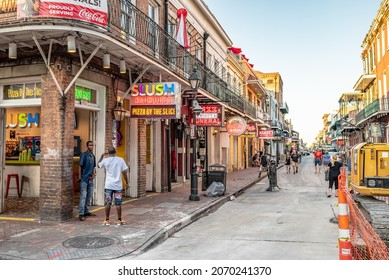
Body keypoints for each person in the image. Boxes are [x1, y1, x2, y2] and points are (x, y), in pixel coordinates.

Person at [98, 147, 129, 226]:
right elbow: (124, 172)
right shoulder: (120, 160)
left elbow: (98, 165)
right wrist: (127, 182)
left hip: (108, 185)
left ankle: (107, 220)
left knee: (107, 202)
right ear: (115, 152)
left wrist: (102, 156)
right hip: (118, 186)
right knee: (118, 203)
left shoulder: (105, 160)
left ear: (108, 153)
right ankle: (119, 220)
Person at [78, 140, 96, 221]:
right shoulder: (84, 155)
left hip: (90, 179)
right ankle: (81, 213)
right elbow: (80, 166)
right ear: (87, 146)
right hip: (84, 179)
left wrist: (94, 174)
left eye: (92, 145)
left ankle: (86, 211)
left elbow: (94, 167)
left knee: (89, 196)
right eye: (90, 145)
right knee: (83, 196)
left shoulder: (93, 156)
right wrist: (79, 177)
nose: (91, 146)